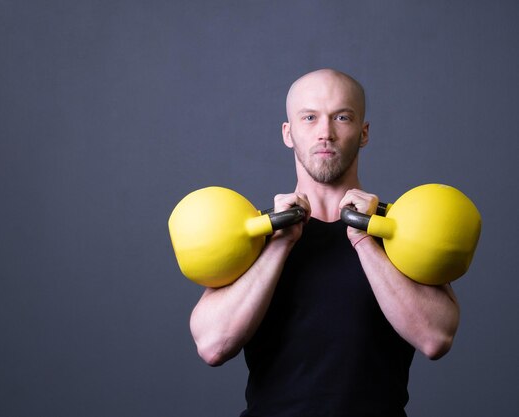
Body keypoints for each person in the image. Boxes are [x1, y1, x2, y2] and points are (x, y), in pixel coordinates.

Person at [189, 69, 460, 416]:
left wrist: (364, 238)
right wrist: (279, 245)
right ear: (288, 133)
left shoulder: (401, 228)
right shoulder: (256, 234)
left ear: (363, 133)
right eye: (309, 118)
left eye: (342, 117)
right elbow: (213, 345)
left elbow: (436, 338)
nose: (325, 133)